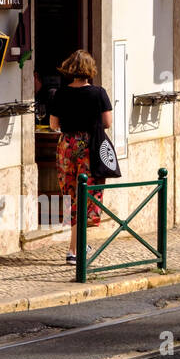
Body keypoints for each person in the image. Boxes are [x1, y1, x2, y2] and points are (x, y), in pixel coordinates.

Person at [47, 50, 113, 265]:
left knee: (72, 194)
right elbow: (108, 122)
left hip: (66, 146)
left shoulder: (60, 94)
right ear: (90, 70)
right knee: (87, 194)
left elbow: (53, 125)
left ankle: (78, 244)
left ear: (70, 69)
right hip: (88, 146)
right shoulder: (99, 93)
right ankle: (74, 250)